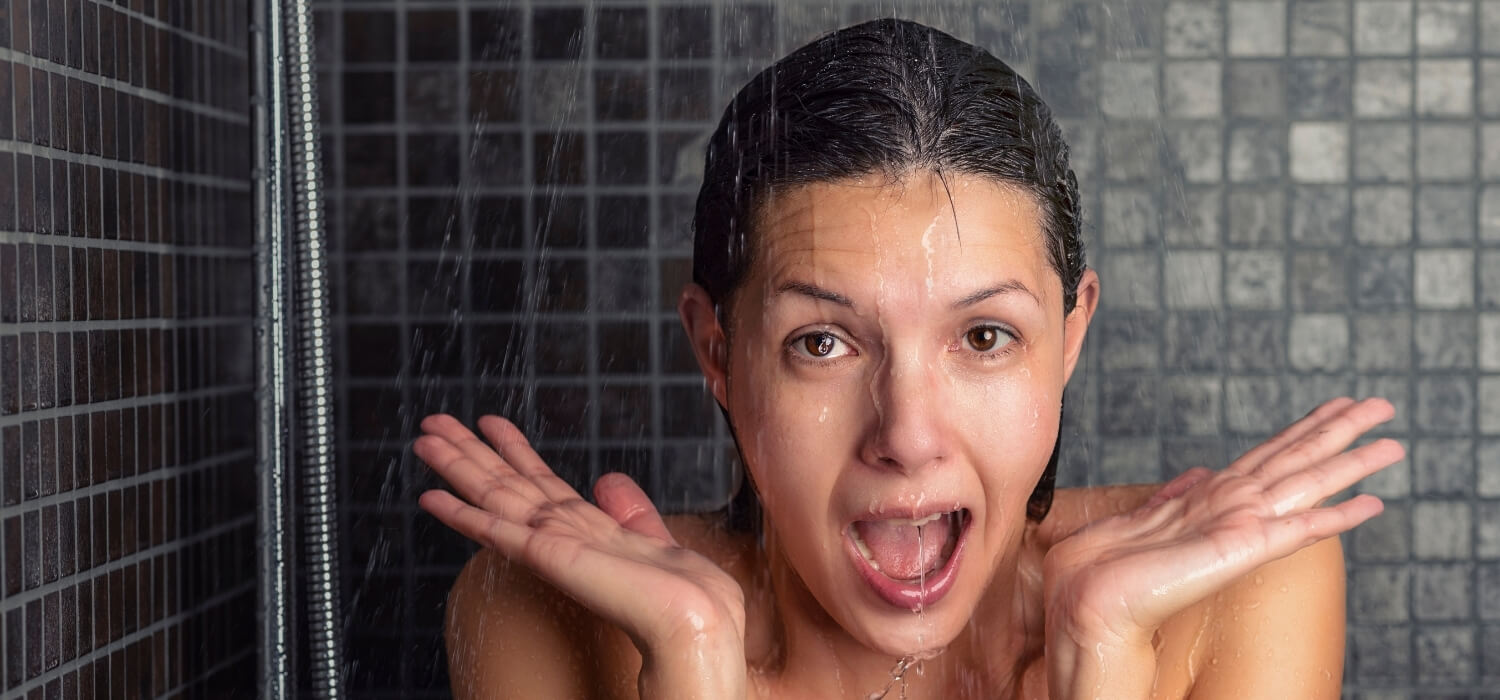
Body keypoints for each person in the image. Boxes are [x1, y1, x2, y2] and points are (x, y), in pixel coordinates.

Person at [413, 19, 1401, 699]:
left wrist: (1100, 661)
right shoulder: (554, 613)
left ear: (1071, 334)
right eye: (824, 342)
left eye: (984, 337)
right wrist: (693, 667)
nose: (909, 434)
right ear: (718, 351)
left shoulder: (1234, 589)